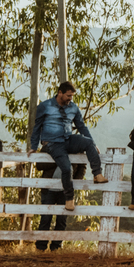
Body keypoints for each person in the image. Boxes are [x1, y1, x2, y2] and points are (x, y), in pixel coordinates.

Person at [30, 81, 108, 211]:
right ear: (60, 93)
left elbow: (81, 126)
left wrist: (93, 144)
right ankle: (69, 199)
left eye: (72, 96)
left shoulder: (73, 108)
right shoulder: (45, 106)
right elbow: (37, 127)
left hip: (67, 139)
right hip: (53, 143)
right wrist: (33, 146)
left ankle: (97, 174)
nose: (70, 98)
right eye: (68, 95)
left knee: (88, 142)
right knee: (66, 168)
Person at [36, 161, 83, 251]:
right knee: (45, 218)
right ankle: (40, 247)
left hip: (66, 190)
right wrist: (59, 159)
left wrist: (75, 183)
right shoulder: (49, 150)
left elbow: (82, 167)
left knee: (62, 219)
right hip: (48, 188)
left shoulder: (77, 152)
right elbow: (39, 165)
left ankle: (56, 247)